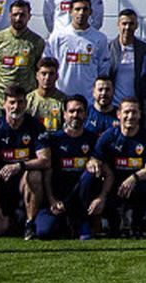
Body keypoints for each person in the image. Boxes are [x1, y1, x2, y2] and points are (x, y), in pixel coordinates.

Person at [31, 96, 102, 240]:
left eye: (79, 111)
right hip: (58, 197)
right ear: (64, 115)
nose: (75, 115)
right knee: (44, 232)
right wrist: (51, 199)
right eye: (71, 111)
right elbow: (48, 171)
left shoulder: (93, 139)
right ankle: (66, 223)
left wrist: (102, 197)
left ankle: (83, 221)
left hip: (81, 197)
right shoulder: (54, 140)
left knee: (90, 173)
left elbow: (105, 170)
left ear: (86, 114)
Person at [94, 99, 146, 237]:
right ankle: (105, 222)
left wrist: (134, 178)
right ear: (118, 114)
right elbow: (96, 157)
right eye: (127, 112)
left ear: (140, 115)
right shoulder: (109, 136)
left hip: (138, 184)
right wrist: (94, 163)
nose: (130, 116)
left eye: (134, 112)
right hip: (114, 184)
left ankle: (137, 222)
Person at [0, 88, 40, 238]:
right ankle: (12, 217)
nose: (16, 106)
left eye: (20, 102)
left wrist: (19, 166)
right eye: (12, 102)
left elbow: (45, 160)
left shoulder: (35, 126)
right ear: (4, 104)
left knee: (35, 175)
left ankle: (30, 223)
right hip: (3, 185)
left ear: (26, 104)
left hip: (24, 181)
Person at [47, 0, 114, 99]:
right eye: (77, 9)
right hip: (62, 98)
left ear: (90, 12)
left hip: (89, 100)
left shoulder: (100, 39)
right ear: (70, 12)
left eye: (85, 9)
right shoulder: (57, 36)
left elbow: (103, 70)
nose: (81, 13)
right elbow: (49, 67)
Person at [0, 0, 45, 107]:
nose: (18, 18)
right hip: (0, 100)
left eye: (22, 15)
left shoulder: (37, 42)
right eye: (15, 15)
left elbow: (38, 69)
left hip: (26, 99)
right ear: (9, 16)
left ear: (29, 17)